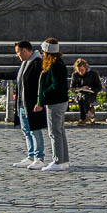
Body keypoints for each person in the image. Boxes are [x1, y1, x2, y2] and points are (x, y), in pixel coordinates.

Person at [0, 41, 44, 168]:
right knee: (26, 130)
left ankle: (39, 157)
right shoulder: (25, 63)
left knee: (35, 130)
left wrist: (40, 101)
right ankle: (31, 156)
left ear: (25, 51)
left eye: (17, 52)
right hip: (22, 104)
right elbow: (16, 74)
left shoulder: (37, 63)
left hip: (31, 104)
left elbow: (41, 85)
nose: (17, 55)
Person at [34, 39, 71, 171]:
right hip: (59, 101)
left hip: (55, 102)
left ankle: (58, 160)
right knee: (60, 131)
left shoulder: (55, 65)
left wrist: (43, 95)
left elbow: (56, 85)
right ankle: (64, 160)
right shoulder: (58, 63)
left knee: (54, 132)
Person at [70, 59, 102, 125]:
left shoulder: (93, 74)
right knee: (82, 96)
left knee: (83, 98)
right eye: (79, 71)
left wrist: (92, 90)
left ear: (86, 68)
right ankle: (89, 112)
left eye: (82, 70)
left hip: (91, 94)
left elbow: (99, 87)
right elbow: (72, 88)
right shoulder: (75, 75)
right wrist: (81, 88)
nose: (81, 72)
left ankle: (83, 118)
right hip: (79, 94)